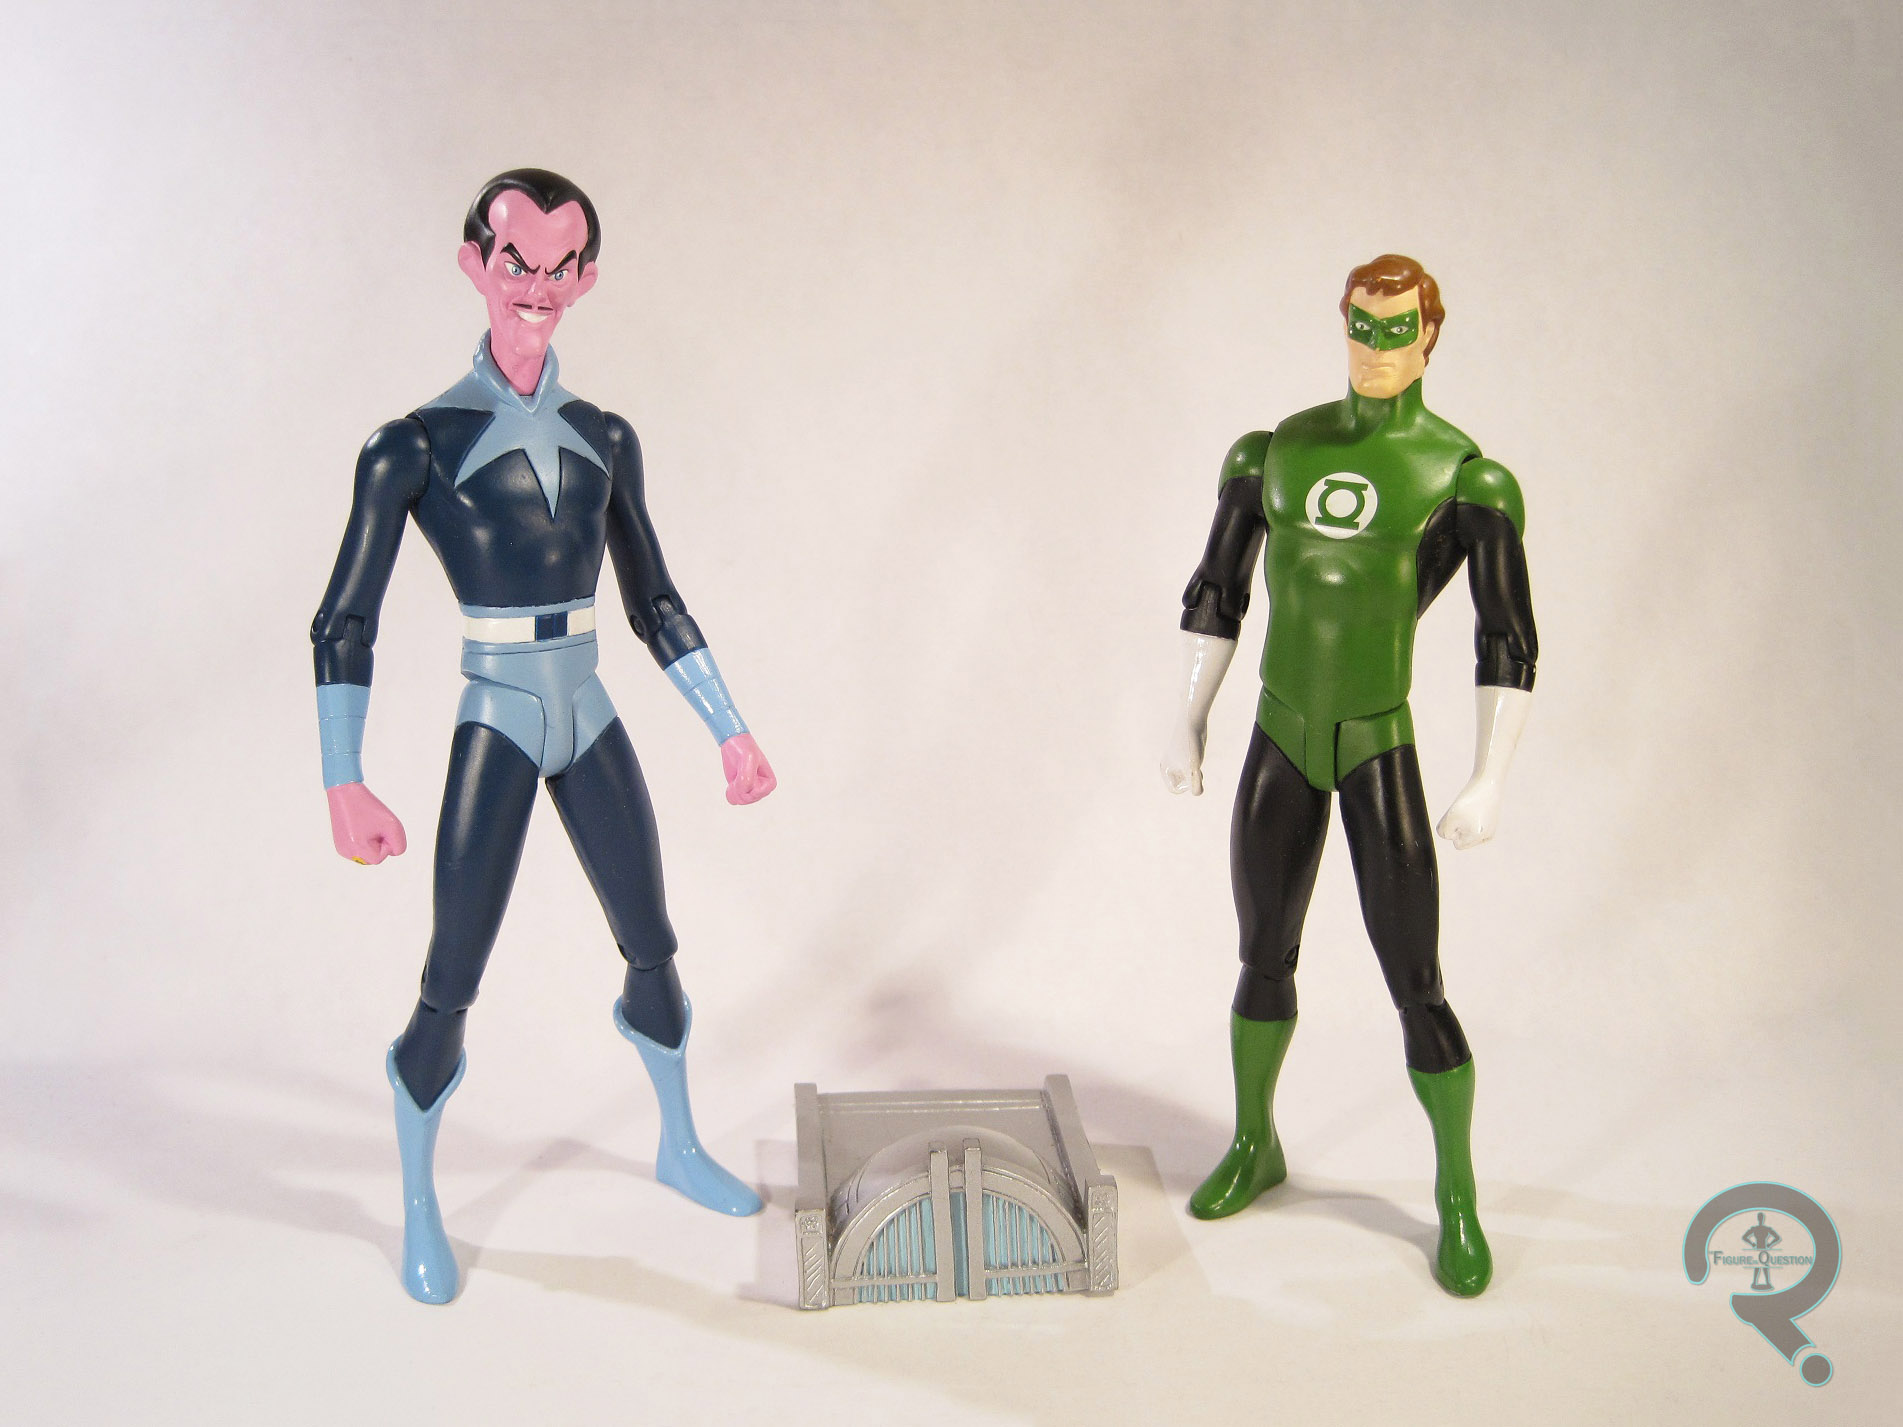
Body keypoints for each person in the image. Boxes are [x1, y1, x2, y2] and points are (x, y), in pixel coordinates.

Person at [311, 168, 776, 1304]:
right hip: (501, 712)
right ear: (475, 265)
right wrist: (344, 778)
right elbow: (344, 620)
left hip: (589, 704)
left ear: (587, 278)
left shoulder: (604, 434)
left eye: (562, 265)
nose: (539, 286)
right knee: (451, 976)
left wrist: (729, 727)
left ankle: (677, 1140)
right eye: (517, 260)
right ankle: (419, 1199)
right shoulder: (412, 445)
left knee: (652, 940)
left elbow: (653, 599)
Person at [1161, 254, 1538, 1296]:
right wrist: (1187, 716)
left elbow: (1505, 637)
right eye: (1360, 328)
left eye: (1395, 329)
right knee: (1261, 951)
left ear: (1430, 335)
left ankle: (1455, 1195)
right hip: (1279, 732)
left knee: (1416, 982)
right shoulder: (1274, 452)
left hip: (1377, 742)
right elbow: (1217, 590)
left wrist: (1488, 776)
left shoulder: (1463, 477)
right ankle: (1254, 1140)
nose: (1375, 349)